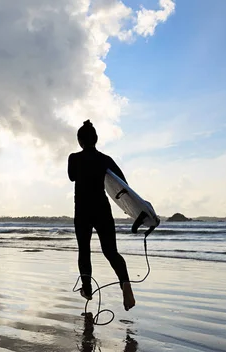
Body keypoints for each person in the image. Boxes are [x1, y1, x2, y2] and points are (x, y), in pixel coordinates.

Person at [68, 120, 135, 311]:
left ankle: (87, 289)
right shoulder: (105, 159)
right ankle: (125, 283)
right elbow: (122, 181)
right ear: (96, 139)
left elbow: (71, 176)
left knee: (84, 250)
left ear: (80, 141)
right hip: (102, 209)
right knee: (111, 251)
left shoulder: (74, 158)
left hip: (82, 211)